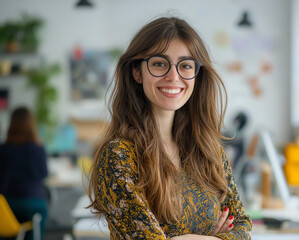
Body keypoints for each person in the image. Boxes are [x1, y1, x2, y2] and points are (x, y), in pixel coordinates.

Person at [87, 16, 252, 239]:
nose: (173, 77)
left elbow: (242, 226)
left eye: (185, 65)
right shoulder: (118, 157)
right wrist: (213, 237)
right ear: (137, 72)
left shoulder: (209, 151)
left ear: (196, 75)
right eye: (159, 63)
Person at [0, 107, 48, 240]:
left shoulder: (3, 149)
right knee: (38, 216)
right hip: (33, 202)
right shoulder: (38, 149)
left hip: (7, 204)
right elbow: (44, 174)